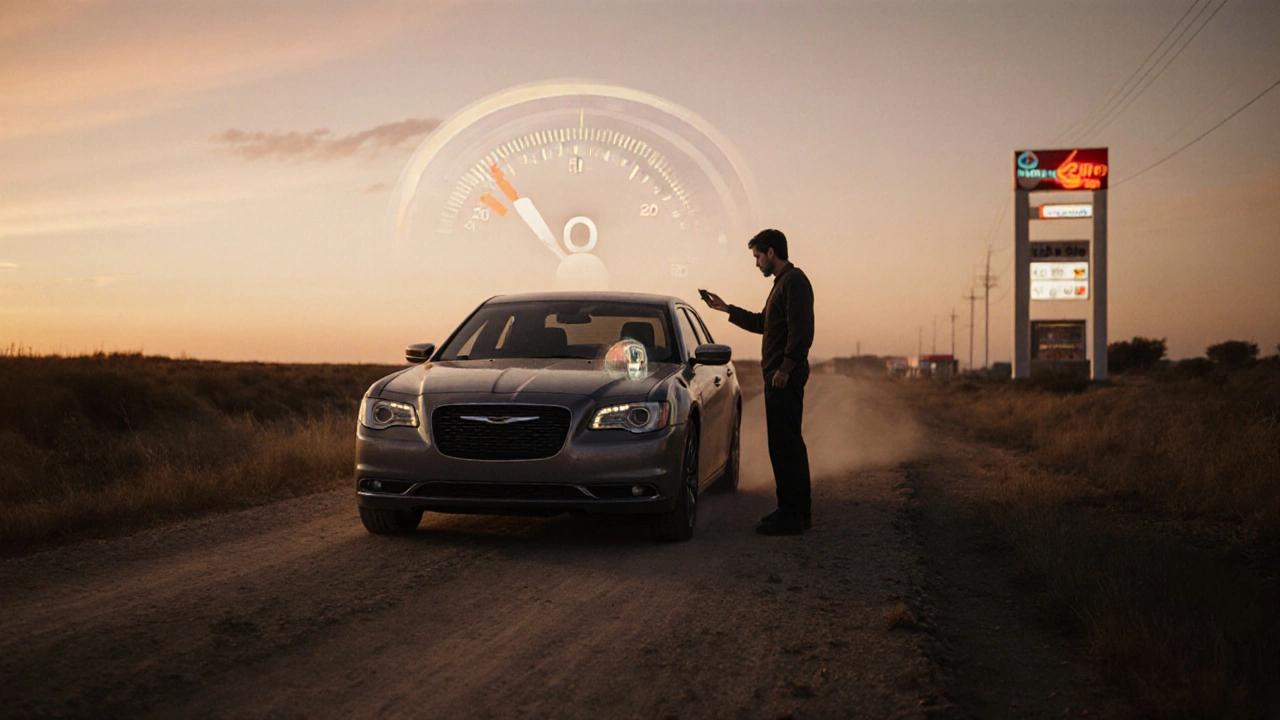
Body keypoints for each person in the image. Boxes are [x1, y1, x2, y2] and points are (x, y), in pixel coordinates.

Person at [703, 229, 814, 535]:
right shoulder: (782, 283)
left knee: (785, 446)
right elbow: (763, 323)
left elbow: (802, 332)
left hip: (783, 377)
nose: (756, 263)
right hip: (779, 376)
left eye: (757, 256)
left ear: (771, 253)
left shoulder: (794, 281)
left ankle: (792, 516)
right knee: (784, 444)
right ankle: (793, 511)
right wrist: (726, 308)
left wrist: (785, 368)